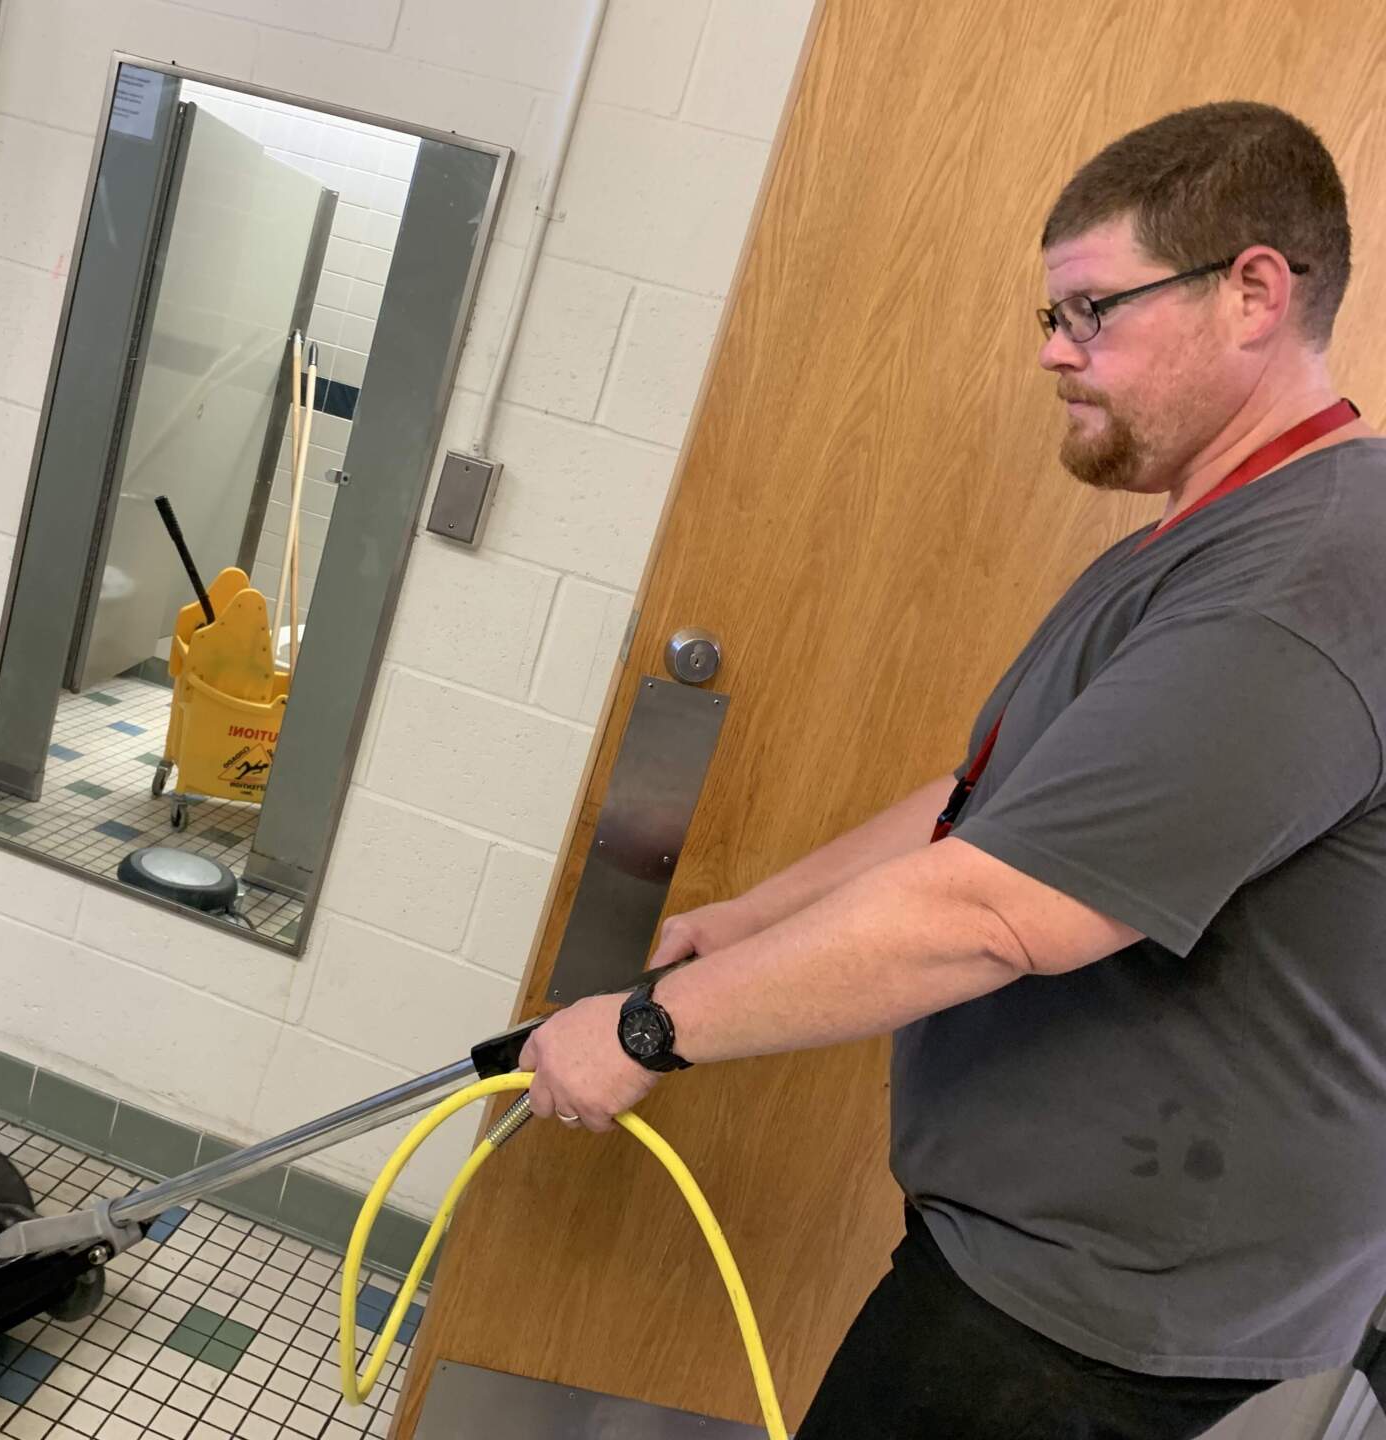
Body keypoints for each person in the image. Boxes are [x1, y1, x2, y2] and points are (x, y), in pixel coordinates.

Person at [519, 100, 1384, 1439]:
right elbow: (987, 805)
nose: (1052, 351)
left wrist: (645, 1034)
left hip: (1098, 1317)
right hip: (1043, 1264)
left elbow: (998, 909)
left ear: (1253, 290)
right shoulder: (1211, 539)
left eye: (1090, 310)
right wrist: (750, 925)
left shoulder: (1302, 582)